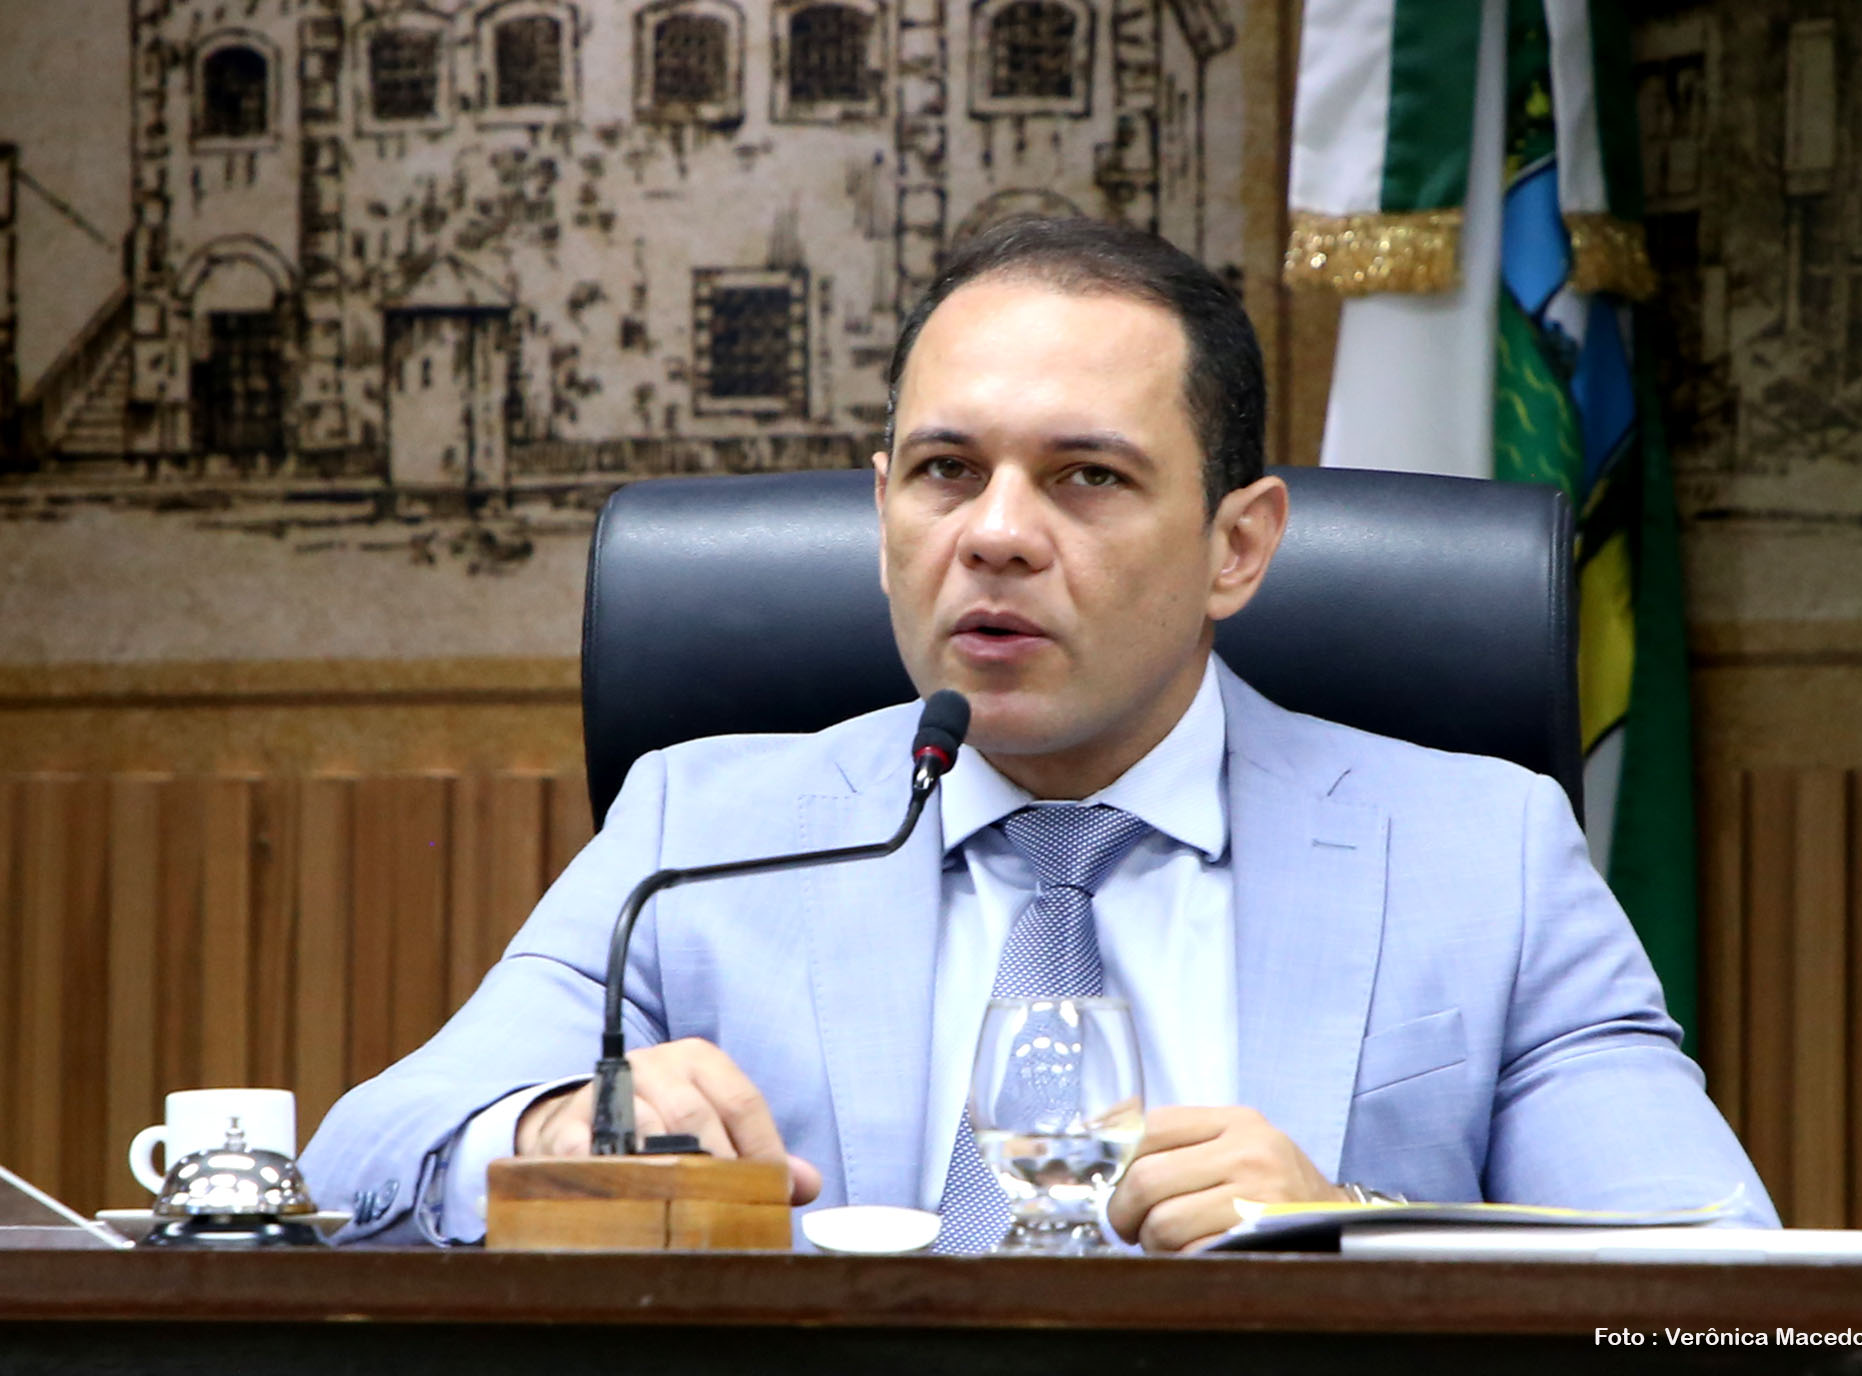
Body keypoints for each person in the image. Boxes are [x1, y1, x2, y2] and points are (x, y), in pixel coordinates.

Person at [301, 216, 1777, 1250]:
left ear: (1238, 546)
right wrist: (555, 1133)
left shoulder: (1481, 857)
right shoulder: (703, 835)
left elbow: (1722, 1285)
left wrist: (1357, 1233)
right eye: (947, 470)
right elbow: (356, 1166)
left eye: (1086, 478)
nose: (996, 534)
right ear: (884, 512)